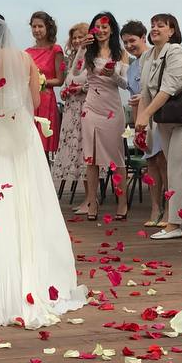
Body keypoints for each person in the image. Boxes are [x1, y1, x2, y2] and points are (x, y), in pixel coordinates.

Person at [0, 11, 86, 327]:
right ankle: (36, 277)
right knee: (30, 204)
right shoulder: (24, 59)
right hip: (23, 140)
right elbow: (34, 102)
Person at [135, 13, 182, 239]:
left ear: (172, 31)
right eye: (152, 25)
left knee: (175, 169)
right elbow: (145, 92)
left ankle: (174, 223)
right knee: (178, 167)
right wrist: (141, 123)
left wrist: (146, 114)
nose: (155, 28)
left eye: (161, 25)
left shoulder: (175, 51)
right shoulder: (147, 56)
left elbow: (170, 87)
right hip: (164, 119)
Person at [64, 12, 129, 222]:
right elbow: (74, 76)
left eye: (105, 27)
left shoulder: (120, 53)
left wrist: (113, 75)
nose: (101, 31)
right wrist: (81, 49)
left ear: (111, 29)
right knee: (90, 157)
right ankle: (92, 202)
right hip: (91, 107)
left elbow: (126, 84)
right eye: (97, 27)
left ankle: (122, 203)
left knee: (117, 157)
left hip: (112, 108)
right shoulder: (88, 52)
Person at [121, 19, 167, 225]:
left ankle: (169, 208)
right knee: (151, 163)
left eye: (132, 41)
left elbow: (167, 88)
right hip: (142, 121)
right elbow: (133, 95)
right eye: (125, 43)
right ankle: (155, 207)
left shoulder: (156, 57)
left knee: (163, 162)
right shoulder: (131, 68)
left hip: (160, 117)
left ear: (142, 37)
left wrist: (145, 97)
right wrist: (136, 127)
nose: (129, 46)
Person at [51, 22, 89, 200]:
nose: (77, 40)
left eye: (81, 37)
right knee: (76, 151)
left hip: (85, 108)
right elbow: (67, 82)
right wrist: (66, 91)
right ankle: (87, 198)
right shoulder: (72, 59)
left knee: (85, 151)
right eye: (74, 37)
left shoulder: (91, 58)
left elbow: (94, 83)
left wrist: (79, 89)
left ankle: (90, 198)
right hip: (71, 109)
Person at [26, 11, 64, 158]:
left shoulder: (56, 50)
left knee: (43, 148)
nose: (37, 30)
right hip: (29, 101)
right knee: (28, 146)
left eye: (40, 26)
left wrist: (41, 81)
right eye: (34, 26)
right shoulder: (27, 52)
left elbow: (59, 80)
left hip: (46, 101)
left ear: (48, 27)